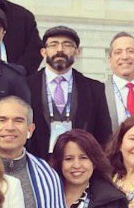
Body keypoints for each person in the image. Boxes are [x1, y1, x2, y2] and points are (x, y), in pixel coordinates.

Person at [26, 26, 112, 158]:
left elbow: (104, 135)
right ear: (43, 52)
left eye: (67, 45)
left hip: (78, 166)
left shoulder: (94, 88)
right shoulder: (25, 85)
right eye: (53, 45)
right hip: (36, 163)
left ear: (77, 51)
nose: (60, 50)